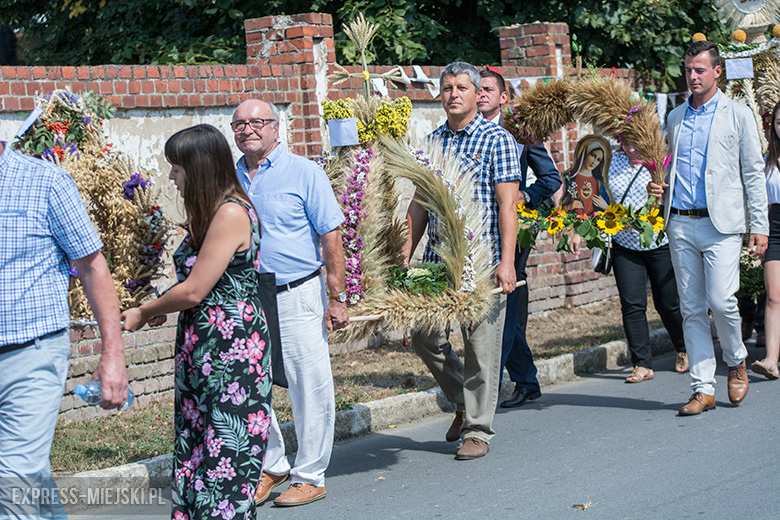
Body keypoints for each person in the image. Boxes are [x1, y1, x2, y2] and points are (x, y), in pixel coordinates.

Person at [121, 124, 272, 519]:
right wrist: (164, 307)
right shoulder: (208, 214)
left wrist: (146, 310)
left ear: (199, 168)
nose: (172, 178)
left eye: (177, 169)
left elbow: (193, 290)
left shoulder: (230, 214)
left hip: (231, 352)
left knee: (224, 454)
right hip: (202, 347)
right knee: (196, 448)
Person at [0, 137, 128, 517]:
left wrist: (113, 355)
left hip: (31, 353)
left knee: (13, 480)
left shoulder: (45, 182)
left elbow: (92, 267)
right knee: (29, 475)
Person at [231, 99, 349, 507]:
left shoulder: (304, 172)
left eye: (258, 122)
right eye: (240, 124)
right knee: (252, 381)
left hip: (297, 291)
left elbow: (331, 237)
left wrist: (337, 296)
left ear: (276, 129)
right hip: (247, 293)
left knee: (307, 383)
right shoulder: (229, 179)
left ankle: (310, 474)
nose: (249, 129)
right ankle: (272, 463)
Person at [404, 61, 521, 460]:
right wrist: (405, 257)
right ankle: (459, 398)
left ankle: (478, 430)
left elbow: (508, 205)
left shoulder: (497, 140)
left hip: (482, 260)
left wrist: (508, 262)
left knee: (480, 346)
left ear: (476, 94)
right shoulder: (432, 141)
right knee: (422, 334)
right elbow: (419, 205)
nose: (454, 94)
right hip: (437, 262)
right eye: (448, 87)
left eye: (462, 88)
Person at [648, 41, 768, 415]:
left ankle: (735, 359)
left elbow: (752, 173)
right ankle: (702, 387)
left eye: (700, 69)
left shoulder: (738, 114)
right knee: (692, 309)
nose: (693, 76)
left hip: (722, 225)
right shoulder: (675, 117)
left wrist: (758, 225)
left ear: (717, 71)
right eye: (688, 69)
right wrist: (658, 186)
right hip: (680, 222)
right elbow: (668, 168)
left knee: (721, 301)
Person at [477, 67, 563, 408]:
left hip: (516, 225)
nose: (480, 94)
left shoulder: (520, 132)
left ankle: (489, 386)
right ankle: (526, 380)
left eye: (487, 89)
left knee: (504, 300)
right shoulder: (465, 132)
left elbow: (552, 179)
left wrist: (524, 195)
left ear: (503, 97)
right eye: (477, 89)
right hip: (479, 227)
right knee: (496, 304)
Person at [573, 141, 688, 382]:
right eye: (625, 140)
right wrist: (579, 230)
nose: (631, 146)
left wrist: (664, 193)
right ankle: (642, 364)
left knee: (667, 303)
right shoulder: (610, 164)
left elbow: (679, 196)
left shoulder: (660, 162)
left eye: (634, 139)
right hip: (624, 243)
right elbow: (596, 196)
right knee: (632, 304)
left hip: (658, 242)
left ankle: (684, 348)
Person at [751, 99, 780, 380]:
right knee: (773, 295)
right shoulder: (767, 160)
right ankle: (771, 360)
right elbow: (761, 202)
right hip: (776, 226)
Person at [561, 136, 610, 216]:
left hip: (594, 224)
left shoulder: (598, 182)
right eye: (593, 155)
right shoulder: (569, 179)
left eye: (598, 160)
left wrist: (606, 207)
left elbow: (609, 207)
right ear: (585, 154)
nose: (594, 162)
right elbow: (557, 203)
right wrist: (569, 207)